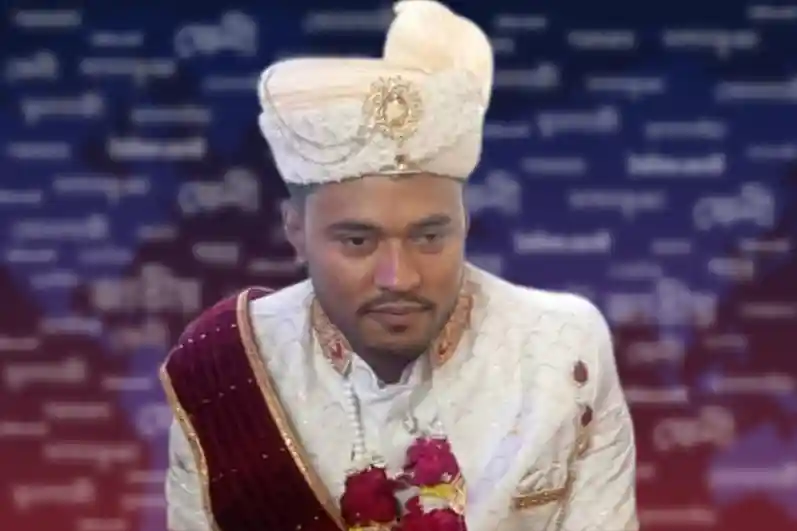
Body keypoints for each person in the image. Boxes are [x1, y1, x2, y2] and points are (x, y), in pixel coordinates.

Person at [160, 1, 639, 530]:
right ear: (295, 231)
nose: (400, 277)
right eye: (358, 241)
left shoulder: (561, 349)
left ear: (464, 223)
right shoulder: (221, 371)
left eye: (429, 237)